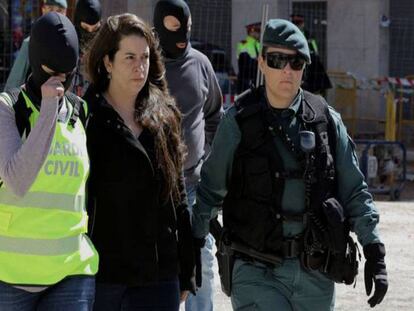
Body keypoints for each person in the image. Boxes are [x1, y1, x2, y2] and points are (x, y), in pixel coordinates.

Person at [192, 19, 388, 311]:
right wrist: (193, 246)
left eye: (295, 62)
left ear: (305, 67)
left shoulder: (326, 121)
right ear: (261, 63)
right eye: (277, 59)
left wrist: (374, 251)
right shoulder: (239, 122)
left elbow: (355, 191)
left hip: (316, 274)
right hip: (256, 270)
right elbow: (209, 191)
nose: (286, 69)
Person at [84, 13, 196, 311]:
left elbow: (178, 195)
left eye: (145, 57)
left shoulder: (164, 115)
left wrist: (186, 265)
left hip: (158, 275)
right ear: (107, 62)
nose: (140, 66)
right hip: (104, 274)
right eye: (129, 57)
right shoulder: (86, 117)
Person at [0, 12, 98, 310]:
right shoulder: (8, 109)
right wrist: (47, 111)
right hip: (10, 276)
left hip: (72, 272)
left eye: (67, 75)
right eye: (50, 71)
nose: (59, 82)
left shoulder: (80, 113)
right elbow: (17, 181)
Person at [153, 1, 223, 311]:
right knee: (158, 259)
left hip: (194, 182)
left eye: (186, 27)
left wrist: (207, 155)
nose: (181, 35)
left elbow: (215, 115)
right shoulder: (146, 66)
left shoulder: (201, 64)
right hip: (155, 186)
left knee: (202, 260)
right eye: (172, 26)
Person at [4, 0, 68, 91]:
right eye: (50, 9)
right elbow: (15, 80)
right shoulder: (31, 42)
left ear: (65, 13)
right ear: (43, 10)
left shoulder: (70, 43)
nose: (54, 14)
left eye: (59, 10)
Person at [290, 13, 332, 95]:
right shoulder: (291, 34)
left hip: (308, 60)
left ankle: (317, 91)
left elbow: (314, 48)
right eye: (295, 23)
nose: (297, 25)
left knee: (316, 66)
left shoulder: (308, 34)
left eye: (299, 22)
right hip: (296, 60)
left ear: (303, 23)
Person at [72, 0, 102, 97]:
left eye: (95, 29)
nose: (90, 33)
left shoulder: (103, 46)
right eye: (85, 28)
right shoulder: (66, 44)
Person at [236, 22, 261, 94]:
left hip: (256, 78)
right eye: (257, 31)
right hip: (247, 79)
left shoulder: (259, 44)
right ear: (251, 32)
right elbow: (243, 61)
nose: (259, 34)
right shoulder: (243, 44)